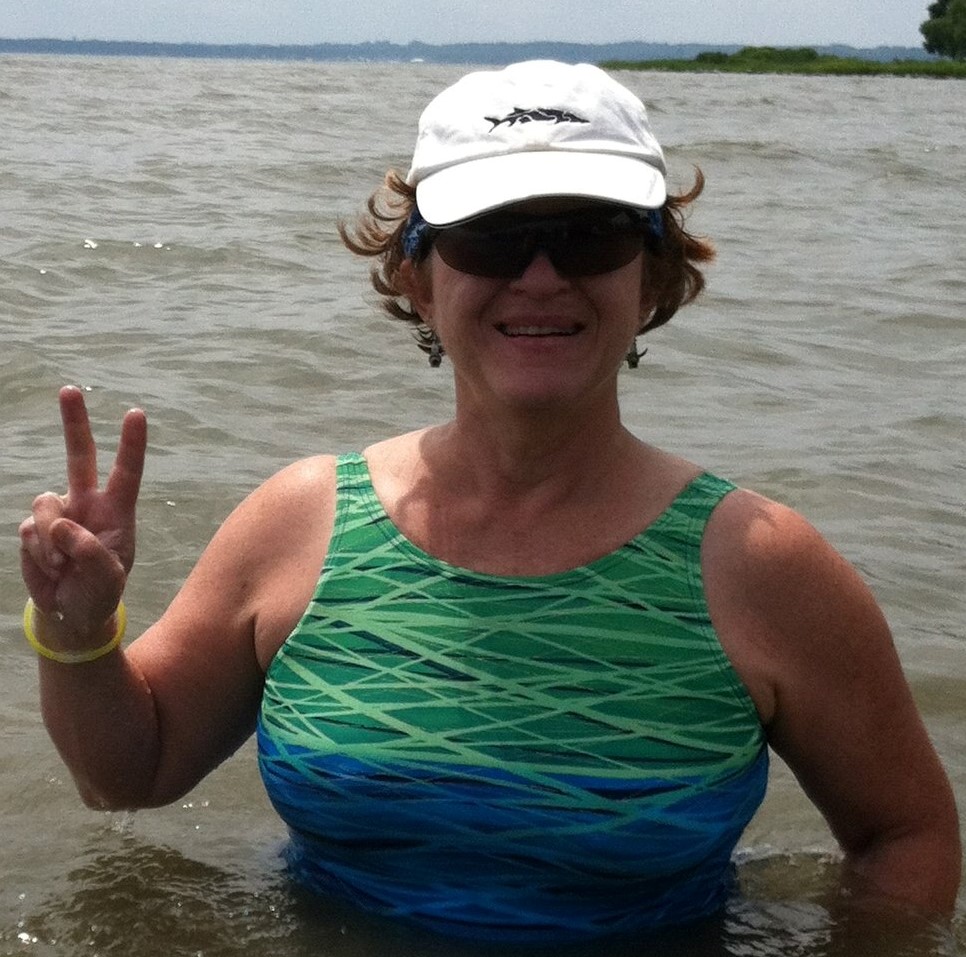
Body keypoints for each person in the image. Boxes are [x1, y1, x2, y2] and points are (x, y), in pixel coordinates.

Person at [18, 60, 960, 944]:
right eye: (490, 238)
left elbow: (907, 837)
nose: (540, 276)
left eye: (590, 235)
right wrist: (77, 632)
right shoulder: (301, 520)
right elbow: (128, 772)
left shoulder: (761, 563)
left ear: (653, 276)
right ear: (419, 277)